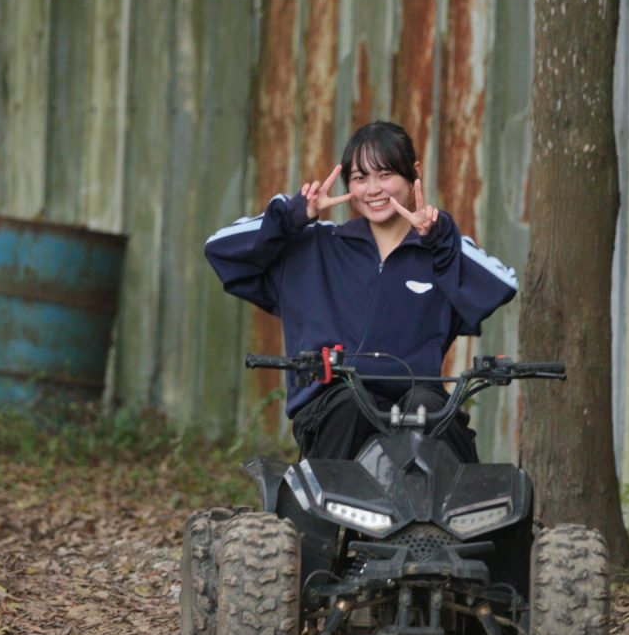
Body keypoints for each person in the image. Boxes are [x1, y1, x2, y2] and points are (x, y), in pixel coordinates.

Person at [205, 120, 517, 462]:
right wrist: (293, 215)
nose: (373, 189)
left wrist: (440, 238)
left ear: (413, 174)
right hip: (332, 406)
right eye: (360, 177)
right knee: (351, 403)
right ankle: (323, 498)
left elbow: (502, 285)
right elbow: (220, 250)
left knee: (429, 407)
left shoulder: (441, 250)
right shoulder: (317, 246)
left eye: (385, 174)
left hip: (417, 402)